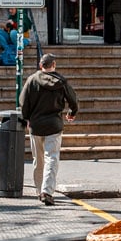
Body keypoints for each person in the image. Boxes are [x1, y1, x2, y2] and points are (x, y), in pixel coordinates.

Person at [19, 51, 78, 206]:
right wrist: (72, 113)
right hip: (54, 125)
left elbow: (23, 102)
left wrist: (26, 118)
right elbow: (73, 99)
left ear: (41, 65)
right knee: (52, 158)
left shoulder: (32, 80)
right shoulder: (61, 82)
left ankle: (40, 191)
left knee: (38, 160)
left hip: (36, 125)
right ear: (54, 65)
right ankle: (47, 191)